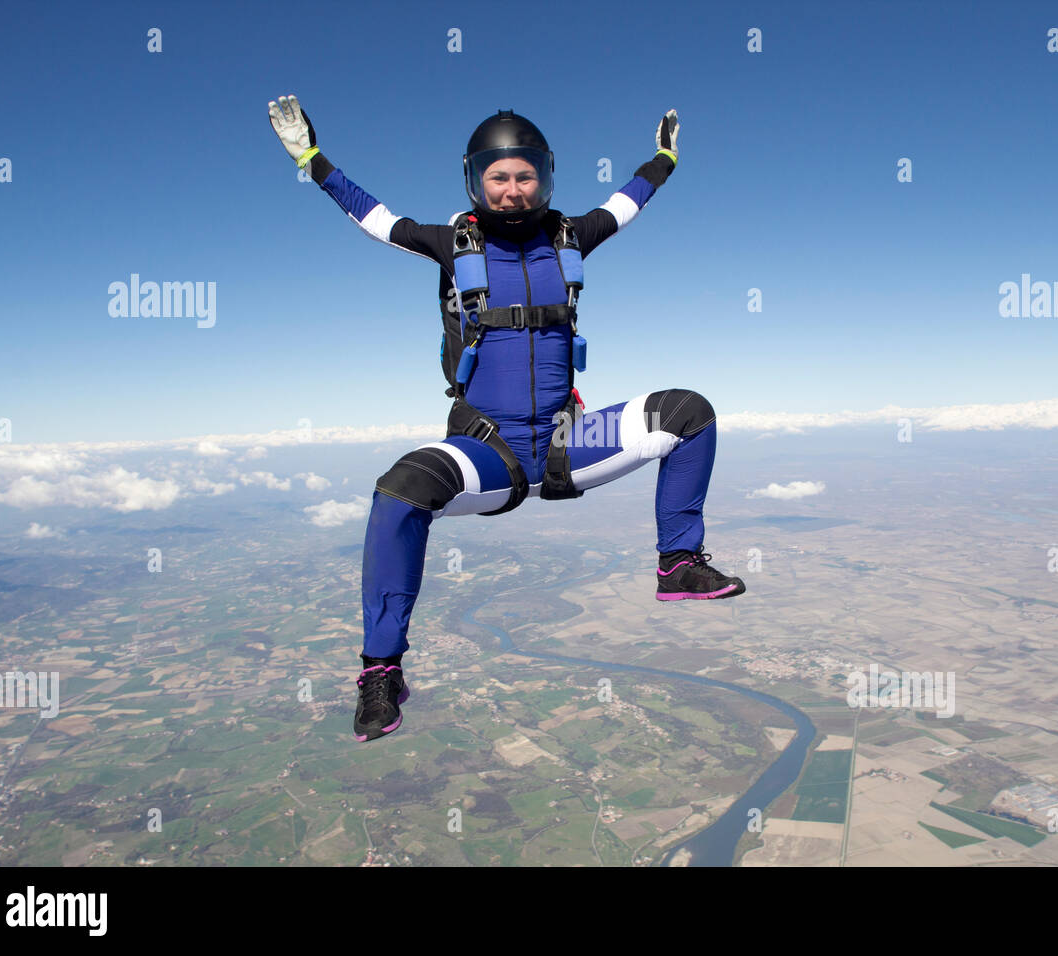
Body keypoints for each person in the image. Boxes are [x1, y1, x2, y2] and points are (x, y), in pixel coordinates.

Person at [267, 95, 746, 742]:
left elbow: (627, 203)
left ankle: (677, 563)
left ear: (545, 178)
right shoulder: (448, 243)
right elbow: (373, 216)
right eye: (500, 177)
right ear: (475, 181)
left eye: (525, 177)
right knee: (400, 490)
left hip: (566, 443)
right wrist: (310, 158)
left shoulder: (570, 237)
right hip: (485, 453)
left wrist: (664, 158)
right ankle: (382, 670)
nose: (514, 191)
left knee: (688, 414)